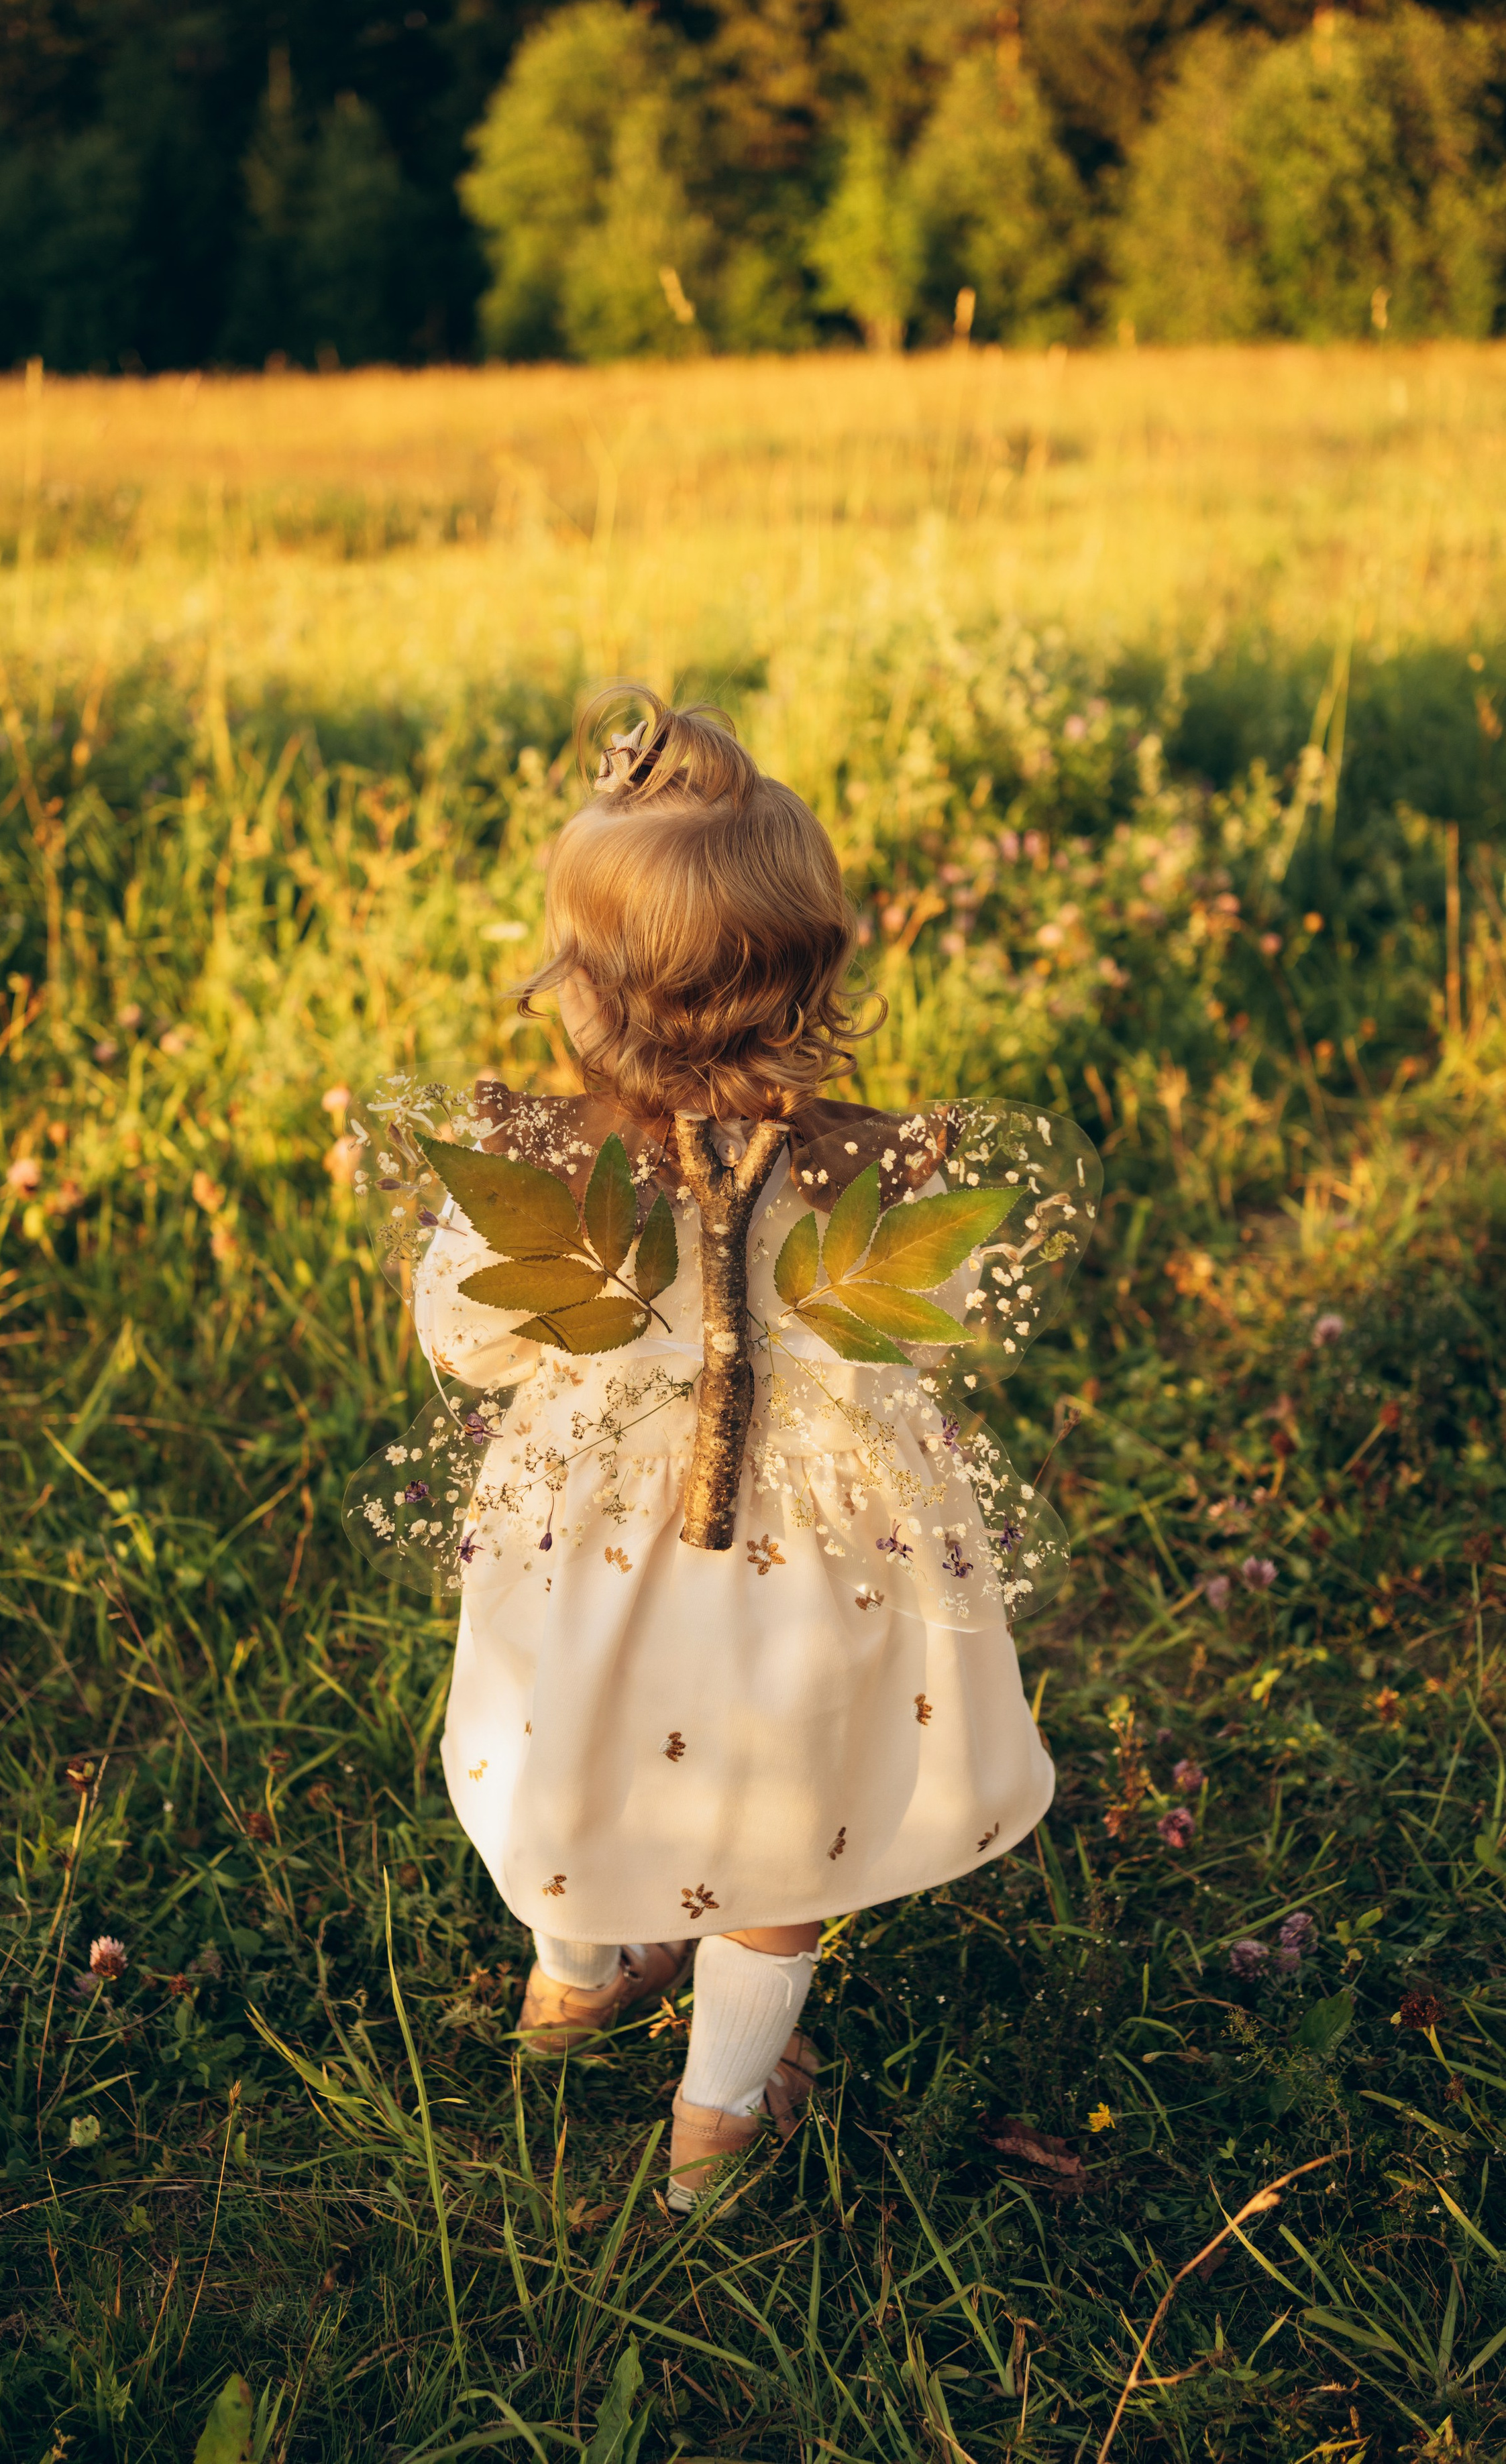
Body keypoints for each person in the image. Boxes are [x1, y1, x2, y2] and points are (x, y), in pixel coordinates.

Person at [397, 687, 1088, 2212]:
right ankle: (717, 2120)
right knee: (785, 1802)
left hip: (591, 1547)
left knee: (563, 1740)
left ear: (579, 988)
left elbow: (464, 1334)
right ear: (815, 971)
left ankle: (574, 1980)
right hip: (814, 1556)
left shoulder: (536, 1163)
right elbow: (927, 1320)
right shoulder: (873, 1163)